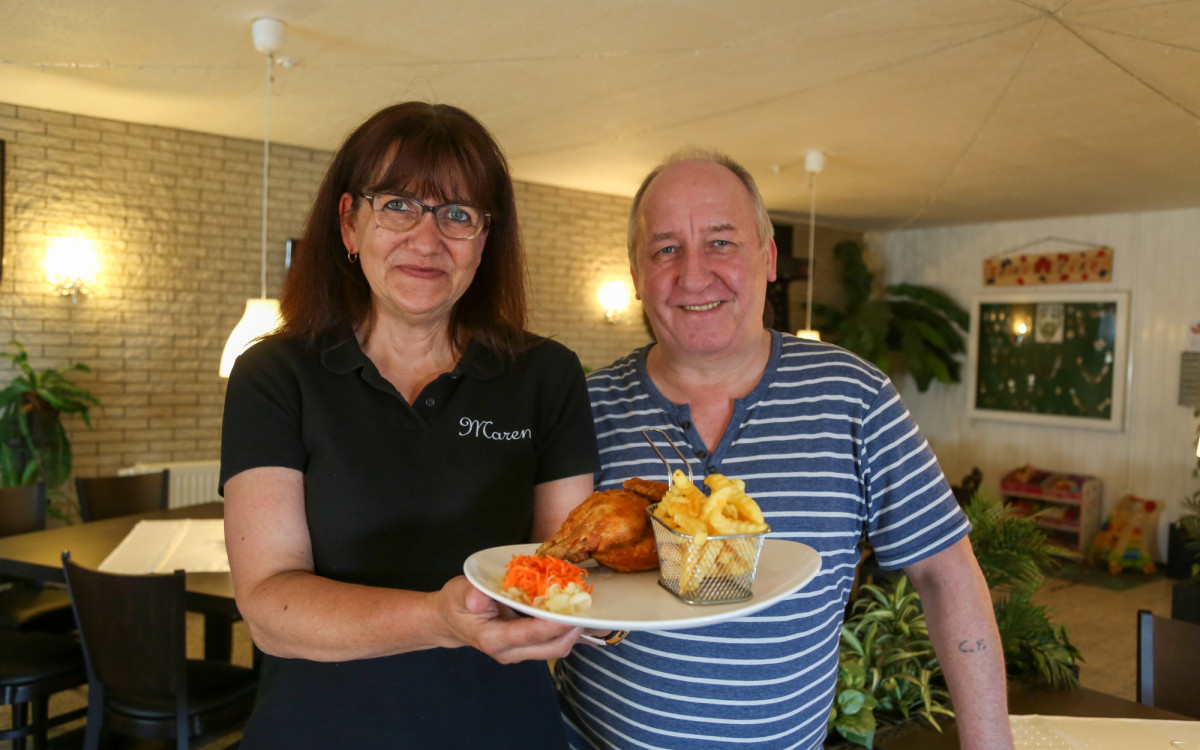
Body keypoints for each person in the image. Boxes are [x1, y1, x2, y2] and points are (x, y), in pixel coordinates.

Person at [555, 150, 1013, 749]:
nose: (693, 275)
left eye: (722, 243)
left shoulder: (855, 396)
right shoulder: (582, 407)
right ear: (637, 274)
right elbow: (533, 576)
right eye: (666, 249)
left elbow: (946, 576)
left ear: (768, 258)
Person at [219, 102, 598, 749]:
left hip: (502, 728)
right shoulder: (275, 373)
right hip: (320, 730)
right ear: (349, 222)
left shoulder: (547, 374)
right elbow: (269, 611)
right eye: (398, 204)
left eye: (458, 214)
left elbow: (565, 569)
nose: (428, 240)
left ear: (485, 241)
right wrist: (437, 618)